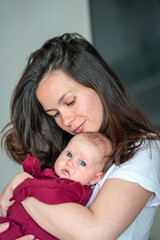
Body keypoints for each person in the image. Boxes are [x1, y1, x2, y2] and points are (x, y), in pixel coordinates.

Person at [0, 32, 160, 240]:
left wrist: (23, 187)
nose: (65, 120)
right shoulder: (67, 152)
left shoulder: (145, 149)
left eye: (70, 102)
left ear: (97, 83)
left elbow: (92, 233)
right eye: (54, 114)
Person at [0, 132, 112, 240]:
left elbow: (51, 194)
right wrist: (33, 171)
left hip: (24, 233)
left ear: (94, 178)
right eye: (69, 154)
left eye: (82, 163)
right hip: (10, 223)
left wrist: (26, 183)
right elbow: (41, 182)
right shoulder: (54, 174)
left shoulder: (76, 190)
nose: (70, 163)